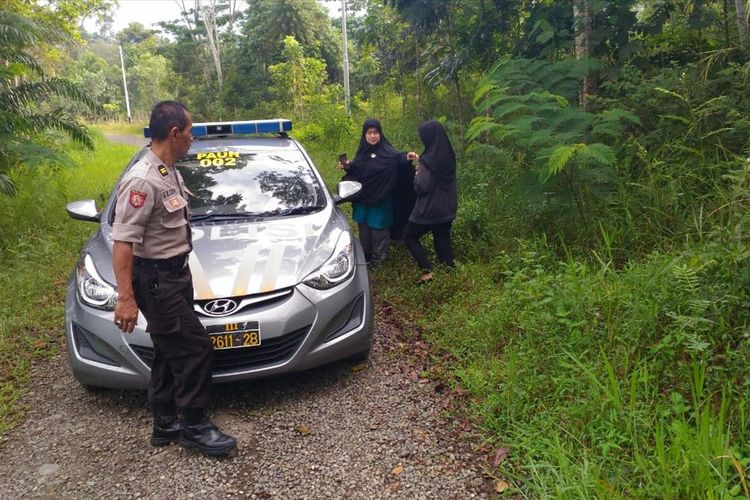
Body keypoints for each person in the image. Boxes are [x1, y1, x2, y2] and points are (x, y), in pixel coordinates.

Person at [111, 101, 236, 457]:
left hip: (174, 275)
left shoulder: (169, 172)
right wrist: (125, 298)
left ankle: (165, 422)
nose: (193, 140)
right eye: (191, 132)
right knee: (196, 347)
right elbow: (123, 244)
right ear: (175, 133)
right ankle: (194, 425)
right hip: (155, 281)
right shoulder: (142, 180)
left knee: (169, 349)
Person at [340, 118, 416, 264]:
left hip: (381, 197)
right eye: (369, 133)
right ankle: (366, 255)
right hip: (363, 197)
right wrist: (348, 166)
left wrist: (407, 157)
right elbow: (358, 167)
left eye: (375, 132)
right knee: (364, 227)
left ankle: (379, 258)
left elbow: (398, 158)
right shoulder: (362, 152)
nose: (373, 136)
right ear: (364, 135)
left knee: (379, 227)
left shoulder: (388, 152)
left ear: (380, 134)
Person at [402, 120, 458, 284]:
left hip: (428, 211)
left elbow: (422, 187)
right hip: (446, 209)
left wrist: (417, 173)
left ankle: (427, 270)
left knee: (409, 235)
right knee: (442, 238)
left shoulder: (427, 161)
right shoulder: (448, 155)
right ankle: (449, 273)